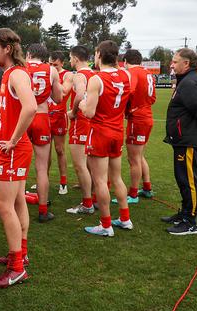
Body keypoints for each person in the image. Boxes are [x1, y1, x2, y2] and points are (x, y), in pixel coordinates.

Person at [0, 28, 36, 287]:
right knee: (17, 202)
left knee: (3, 206)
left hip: (13, 151)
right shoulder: (9, 74)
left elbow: (30, 107)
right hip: (11, 150)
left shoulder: (16, 73)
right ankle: (20, 255)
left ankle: (16, 268)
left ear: (7, 48)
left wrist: (14, 139)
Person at [79, 40, 133, 237]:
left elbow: (90, 112)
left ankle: (105, 225)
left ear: (99, 55)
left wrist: (82, 105)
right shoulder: (125, 75)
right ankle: (125, 219)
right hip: (118, 131)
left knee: (100, 180)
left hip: (100, 132)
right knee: (116, 177)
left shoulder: (97, 79)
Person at [161, 48, 197, 235]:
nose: (171, 64)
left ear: (186, 64)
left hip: (189, 140)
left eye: (175, 62)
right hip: (183, 138)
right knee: (182, 178)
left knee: (189, 180)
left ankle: (190, 221)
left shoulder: (190, 83)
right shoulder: (187, 80)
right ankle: (184, 213)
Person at [25, 43, 62, 223]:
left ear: (28, 54)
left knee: (18, 165)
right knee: (41, 167)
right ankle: (43, 209)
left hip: (22, 118)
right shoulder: (51, 70)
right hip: (41, 116)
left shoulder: (19, 67)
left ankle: (17, 204)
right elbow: (58, 98)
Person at [121, 49, 157, 203]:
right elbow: (153, 98)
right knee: (139, 156)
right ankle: (147, 188)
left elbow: (130, 90)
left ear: (125, 62)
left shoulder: (133, 72)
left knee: (133, 158)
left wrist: (125, 109)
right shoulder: (148, 72)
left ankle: (133, 194)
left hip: (138, 119)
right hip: (147, 116)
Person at [65, 45, 95, 215]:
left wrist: (74, 112)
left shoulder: (79, 75)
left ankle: (87, 203)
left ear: (75, 58)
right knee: (91, 163)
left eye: (70, 57)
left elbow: (79, 94)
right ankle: (94, 198)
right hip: (92, 122)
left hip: (81, 122)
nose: (70, 61)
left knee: (80, 165)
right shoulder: (94, 74)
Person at [48, 51, 74, 195]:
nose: (52, 67)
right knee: (44, 153)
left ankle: (63, 182)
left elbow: (64, 91)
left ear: (62, 64)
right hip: (45, 116)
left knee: (59, 149)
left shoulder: (68, 75)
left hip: (59, 117)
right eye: (50, 64)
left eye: (55, 65)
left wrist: (52, 80)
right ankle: (43, 178)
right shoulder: (46, 73)